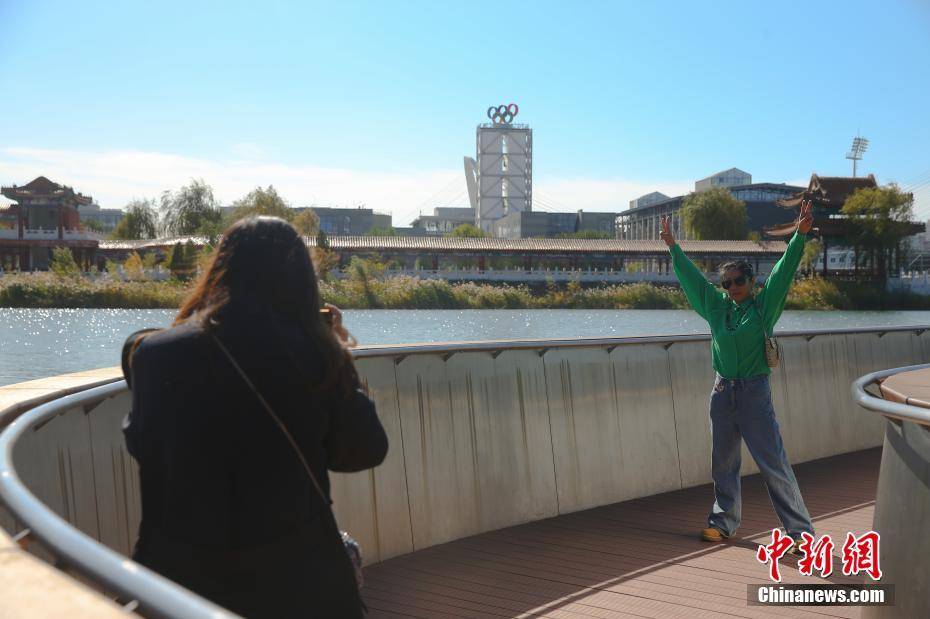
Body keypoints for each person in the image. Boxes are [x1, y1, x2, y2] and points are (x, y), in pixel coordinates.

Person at [121, 216, 387, 618]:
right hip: (299, 584)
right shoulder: (315, 354)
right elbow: (365, 450)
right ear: (301, 279)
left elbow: (141, 443)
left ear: (220, 269)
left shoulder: (155, 354)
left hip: (177, 585)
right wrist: (335, 352)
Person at [660, 201, 814, 549]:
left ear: (751, 281)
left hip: (754, 394)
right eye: (727, 282)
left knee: (773, 464)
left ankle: (801, 535)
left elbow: (783, 272)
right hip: (721, 392)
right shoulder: (716, 306)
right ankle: (723, 523)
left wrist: (799, 238)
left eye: (739, 281)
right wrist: (673, 246)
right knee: (723, 464)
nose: (732, 287)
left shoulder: (763, 307)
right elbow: (693, 280)